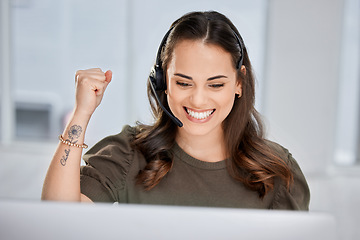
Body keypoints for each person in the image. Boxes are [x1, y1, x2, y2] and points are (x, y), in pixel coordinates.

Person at [42, 11, 310, 210]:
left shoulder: (277, 171)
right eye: (183, 82)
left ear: (239, 83)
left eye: (215, 84)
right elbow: (58, 216)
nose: (198, 99)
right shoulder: (127, 155)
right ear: (162, 82)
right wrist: (82, 114)